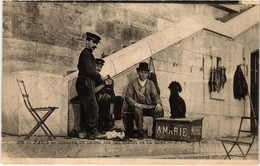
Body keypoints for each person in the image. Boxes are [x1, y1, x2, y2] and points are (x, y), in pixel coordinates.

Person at [75, 32, 106, 139]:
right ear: (87, 41)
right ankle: (93, 132)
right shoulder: (86, 54)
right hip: (86, 83)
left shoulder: (87, 54)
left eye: (96, 43)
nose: (95, 45)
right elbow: (89, 71)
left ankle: (86, 131)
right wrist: (100, 77)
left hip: (85, 83)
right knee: (93, 107)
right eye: (93, 42)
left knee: (87, 107)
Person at [125, 62, 164, 139]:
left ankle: (156, 133)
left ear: (148, 74)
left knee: (160, 110)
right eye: (141, 72)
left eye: (145, 73)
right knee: (137, 110)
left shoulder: (150, 83)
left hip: (149, 106)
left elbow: (155, 95)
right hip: (138, 107)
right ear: (138, 72)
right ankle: (140, 133)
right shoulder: (132, 83)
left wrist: (158, 103)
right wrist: (135, 103)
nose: (143, 74)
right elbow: (128, 96)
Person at [95, 58, 124, 132]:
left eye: (100, 67)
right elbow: (92, 91)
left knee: (119, 99)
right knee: (106, 98)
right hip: (95, 100)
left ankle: (116, 122)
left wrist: (111, 111)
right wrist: (104, 84)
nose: (99, 68)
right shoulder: (91, 77)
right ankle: (107, 124)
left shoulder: (103, 78)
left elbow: (111, 94)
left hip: (106, 100)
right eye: (97, 66)